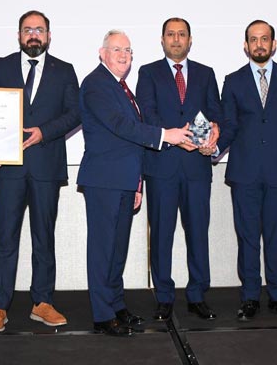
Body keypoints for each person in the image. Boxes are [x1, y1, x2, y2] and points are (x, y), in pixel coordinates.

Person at [78, 30, 193, 336]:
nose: (123, 55)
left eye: (128, 50)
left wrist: (138, 183)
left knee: (117, 251)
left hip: (125, 180)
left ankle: (116, 306)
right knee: (103, 250)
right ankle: (103, 315)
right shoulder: (96, 84)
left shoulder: (122, 87)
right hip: (103, 181)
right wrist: (165, 135)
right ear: (102, 53)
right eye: (116, 49)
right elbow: (121, 126)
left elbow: (132, 140)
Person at [0, 10, 81, 332]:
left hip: (45, 166)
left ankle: (42, 302)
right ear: (18, 35)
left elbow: (75, 113)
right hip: (8, 169)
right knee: (4, 239)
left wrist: (44, 132)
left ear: (49, 36)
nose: (34, 35)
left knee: (44, 238)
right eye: (28, 29)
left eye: (39, 30)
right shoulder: (1, 66)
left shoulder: (64, 70)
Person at [216, 20, 277, 321]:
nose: (259, 44)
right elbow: (229, 126)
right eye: (253, 40)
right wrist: (213, 149)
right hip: (244, 174)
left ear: (274, 44)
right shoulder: (233, 81)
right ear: (246, 46)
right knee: (248, 239)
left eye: (264, 39)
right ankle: (250, 297)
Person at [135, 17, 222, 321]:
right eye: (170, 34)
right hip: (162, 167)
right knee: (161, 234)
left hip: (197, 168)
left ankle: (197, 295)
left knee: (198, 232)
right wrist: (179, 138)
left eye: (181, 34)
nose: (176, 39)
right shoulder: (148, 73)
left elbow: (215, 114)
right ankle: (164, 296)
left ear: (190, 40)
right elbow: (148, 114)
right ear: (162, 40)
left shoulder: (206, 73)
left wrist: (214, 133)